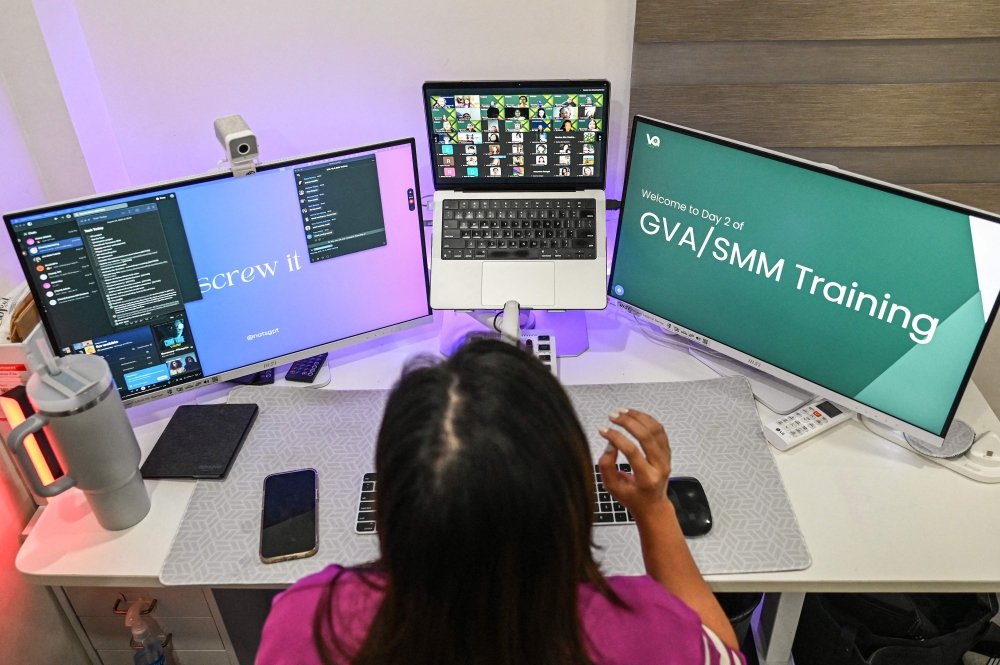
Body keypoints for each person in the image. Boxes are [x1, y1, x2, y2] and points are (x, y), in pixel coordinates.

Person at [258, 340, 744, 665]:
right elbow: (724, 651)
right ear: (570, 504)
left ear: (389, 505)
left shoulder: (307, 622)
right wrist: (655, 509)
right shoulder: (648, 629)